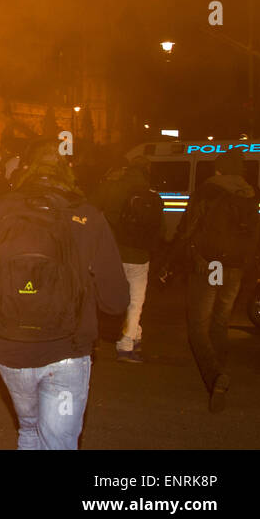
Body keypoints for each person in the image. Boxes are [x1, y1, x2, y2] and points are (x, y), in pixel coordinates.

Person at [0, 139, 128, 449]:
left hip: (10, 350)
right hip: (66, 351)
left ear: (26, 171)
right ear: (68, 173)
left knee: (29, 429)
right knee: (58, 443)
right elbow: (116, 299)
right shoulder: (88, 215)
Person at [164, 150, 260, 412]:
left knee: (198, 326)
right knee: (220, 321)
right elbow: (255, 234)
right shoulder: (249, 195)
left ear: (218, 170)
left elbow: (187, 228)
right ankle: (219, 372)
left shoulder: (208, 191)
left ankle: (215, 376)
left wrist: (170, 260)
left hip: (210, 265)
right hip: (234, 269)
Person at [89, 152, 162, 362]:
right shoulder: (152, 195)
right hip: (140, 256)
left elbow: (88, 210)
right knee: (136, 301)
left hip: (110, 253)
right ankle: (127, 344)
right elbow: (161, 231)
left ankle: (95, 339)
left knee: (102, 296)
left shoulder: (111, 188)